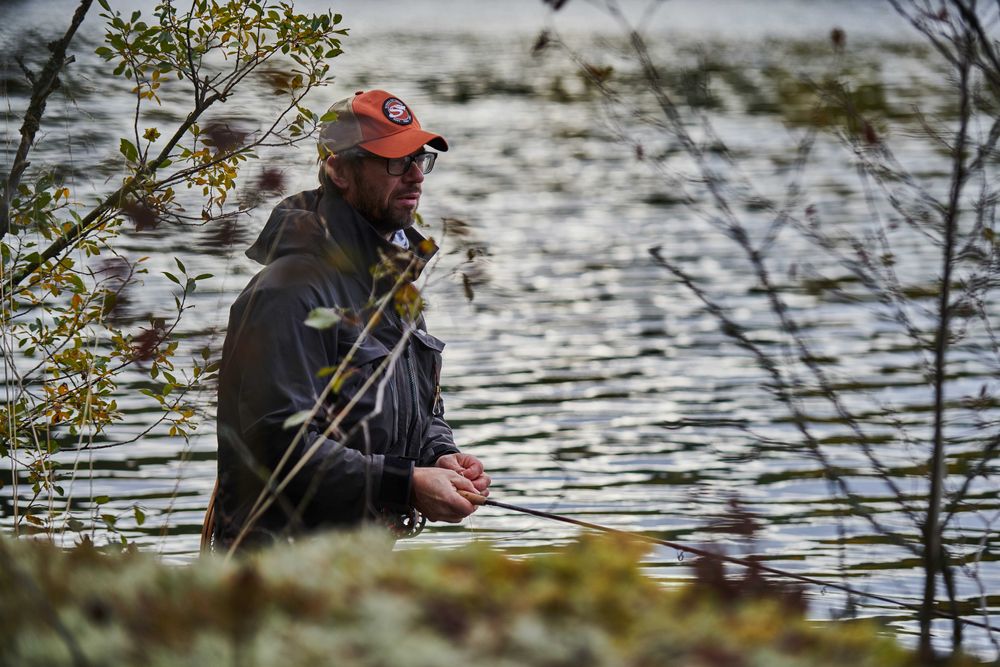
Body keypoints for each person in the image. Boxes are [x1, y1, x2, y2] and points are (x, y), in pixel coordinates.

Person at [211, 89, 490, 551]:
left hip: (358, 567)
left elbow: (415, 413)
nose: (417, 175)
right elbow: (280, 450)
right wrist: (406, 483)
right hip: (276, 574)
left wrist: (439, 455)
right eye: (396, 161)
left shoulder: (393, 287)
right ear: (339, 170)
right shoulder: (288, 291)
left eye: (420, 159)